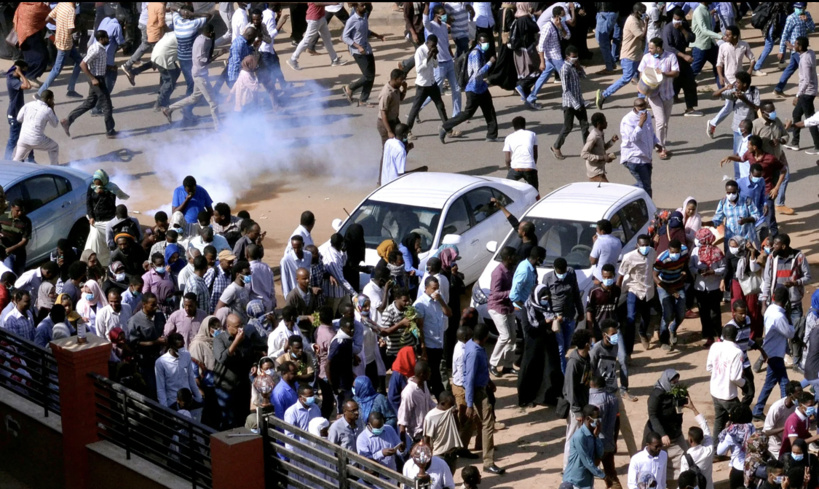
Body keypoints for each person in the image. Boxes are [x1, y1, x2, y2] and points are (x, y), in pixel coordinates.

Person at [439, 32, 498, 143]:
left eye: (487, 42)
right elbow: (477, 73)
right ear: (479, 42)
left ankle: (492, 135)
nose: (486, 44)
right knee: (467, 113)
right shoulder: (475, 54)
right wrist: (490, 63)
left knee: (489, 110)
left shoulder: (481, 51)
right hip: (473, 88)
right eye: (484, 42)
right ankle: (445, 127)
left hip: (481, 87)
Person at [59, 30, 116, 139]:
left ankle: (68, 121)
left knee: (90, 103)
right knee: (107, 104)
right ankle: (110, 131)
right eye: (106, 38)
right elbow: (83, 64)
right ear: (102, 38)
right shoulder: (96, 49)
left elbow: (98, 64)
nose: (108, 40)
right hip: (96, 80)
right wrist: (93, 78)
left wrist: (109, 68)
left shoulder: (100, 48)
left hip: (98, 78)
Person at [463, 322, 503, 474]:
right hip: (477, 392)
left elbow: (480, 371)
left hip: (481, 387)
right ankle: (488, 461)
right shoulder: (474, 352)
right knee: (488, 424)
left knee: (473, 419)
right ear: (486, 337)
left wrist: (489, 381)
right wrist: (469, 403)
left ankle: (462, 447)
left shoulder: (473, 346)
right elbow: (470, 379)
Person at [163, 24, 219, 129]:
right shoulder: (201, 43)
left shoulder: (205, 38)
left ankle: (169, 109)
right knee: (213, 102)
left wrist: (213, 39)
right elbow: (203, 61)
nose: (212, 34)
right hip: (200, 76)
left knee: (194, 98)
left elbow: (209, 52)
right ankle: (218, 127)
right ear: (208, 32)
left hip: (200, 74)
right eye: (211, 32)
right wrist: (218, 55)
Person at [752, 287, 795, 420]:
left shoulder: (770, 309)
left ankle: (758, 410)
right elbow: (790, 333)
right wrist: (789, 317)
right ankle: (786, 412)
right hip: (775, 353)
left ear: (773, 297)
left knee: (770, 383)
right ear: (786, 300)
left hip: (771, 351)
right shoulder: (780, 316)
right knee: (784, 383)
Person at [596, 4, 646, 109]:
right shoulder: (632, 21)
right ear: (637, 12)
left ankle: (641, 100)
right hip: (629, 56)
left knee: (642, 77)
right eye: (643, 12)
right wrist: (647, 23)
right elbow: (641, 36)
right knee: (626, 78)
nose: (644, 14)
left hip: (637, 54)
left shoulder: (638, 19)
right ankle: (604, 94)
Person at [760, 234, 811, 329]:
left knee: (796, 334)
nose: (773, 246)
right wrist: (764, 303)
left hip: (794, 304)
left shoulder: (799, 257)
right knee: (777, 334)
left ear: (783, 246)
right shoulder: (771, 258)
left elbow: (807, 277)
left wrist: (795, 283)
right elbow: (767, 281)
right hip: (776, 304)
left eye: (775, 244)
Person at [706, 323, 745, 446]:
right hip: (728, 394)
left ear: (723, 335)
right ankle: (742, 446)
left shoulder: (715, 346)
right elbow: (735, 377)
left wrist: (720, 376)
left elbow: (709, 367)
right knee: (742, 418)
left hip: (715, 391)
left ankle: (716, 448)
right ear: (736, 336)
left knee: (719, 419)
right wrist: (745, 385)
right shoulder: (737, 352)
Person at [543, 257, 584, 373]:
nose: (562, 274)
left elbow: (576, 293)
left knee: (566, 345)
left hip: (570, 316)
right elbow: (545, 300)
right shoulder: (547, 278)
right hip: (556, 318)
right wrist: (550, 316)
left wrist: (581, 311)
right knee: (560, 348)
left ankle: (559, 364)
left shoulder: (571, 273)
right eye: (560, 272)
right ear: (555, 269)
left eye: (564, 271)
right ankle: (564, 375)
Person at [213, 313, 253, 429]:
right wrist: (236, 342)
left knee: (243, 418)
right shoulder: (219, 340)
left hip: (242, 386)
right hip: (225, 387)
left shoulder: (245, 339)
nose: (240, 329)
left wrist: (254, 364)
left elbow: (250, 356)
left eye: (241, 325)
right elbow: (222, 358)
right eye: (236, 326)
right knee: (228, 420)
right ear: (228, 326)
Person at [639, 37, 679, 153]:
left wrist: (664, 73)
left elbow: (676, 72)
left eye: (651, 48)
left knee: (665, 123)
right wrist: (644, 82)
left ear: (658, 48)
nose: (649, 49)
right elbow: (641, 71)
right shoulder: (647, 57)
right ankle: (661, 147)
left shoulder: (670, 56)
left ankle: (660, 143)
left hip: (668, 93)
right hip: (653, 95)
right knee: (660, 122)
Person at [620, 98, 667, 197]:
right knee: (646, 187)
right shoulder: (627, 120)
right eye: (640, 106)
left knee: (644, 184)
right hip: (635, 159)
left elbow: (650, 132)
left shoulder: (647, 115)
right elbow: (633, 138)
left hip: (646, 158)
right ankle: (650, 210)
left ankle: (624, 196)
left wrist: (656, 143)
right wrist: (640, 123)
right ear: (635, 107)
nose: (643, 108)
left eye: (644, 106)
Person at [341, 3, 385, 107]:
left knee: (371, 76)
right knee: (368, 76)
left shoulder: (364, 16)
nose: (365, 7)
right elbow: (344, 37)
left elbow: (366, 31)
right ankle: (350, 88)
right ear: (356, 7)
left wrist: (378, 36)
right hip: (358, 52)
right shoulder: (351, 20)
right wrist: (358, 46)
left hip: (367, 49)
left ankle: (363, 100)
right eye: (362, 5)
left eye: (365, 5)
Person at [526, 6, 570, 109]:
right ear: (556, 16)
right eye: (562, 16)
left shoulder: (561, 24)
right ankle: (575, 99)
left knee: (543, 78)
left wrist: (561, 27)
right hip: (554, 57)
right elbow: (541, 46)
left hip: (555, 56)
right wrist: (542, 62)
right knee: (567, 77)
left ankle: (530, 98)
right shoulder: (547, 27)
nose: (564, 18)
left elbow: (567, 36)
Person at [647, 369, 687, 481]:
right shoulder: (656, 395)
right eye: (673, 382)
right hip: (659, 434)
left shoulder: (676, 392)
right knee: (657, 464)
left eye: (677, 382)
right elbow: (653, 416)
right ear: (667, 381)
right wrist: (662, 434)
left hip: (675, 432)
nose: (676, 385)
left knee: (685, 458)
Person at [618, 235, 656, 352]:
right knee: (631, 319)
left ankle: (643, 333)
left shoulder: (652, 252)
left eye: (646, 245)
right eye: (642, 245)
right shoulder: (629, 257)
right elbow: (621, 274)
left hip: (647, 289)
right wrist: (616, 290)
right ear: (637, 245)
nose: (645, 247)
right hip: (634, 289)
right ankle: (628, 351)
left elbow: (653, 266)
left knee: (646, 316)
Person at [549, 46, 588, 160]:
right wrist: (576, 104)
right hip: (570, 104)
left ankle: (587, 149)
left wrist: (580, 68)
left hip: (579, 101)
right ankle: (556, 146)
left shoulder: (575, 67)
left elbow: (584, 77)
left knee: (585, 126)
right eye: (573, 57)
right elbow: (565, 89)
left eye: (576, 56)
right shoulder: (564, 69)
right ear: (567, 57)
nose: (575, 58)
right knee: (568, 127)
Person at [708, 71, 761, 152]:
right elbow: (714, 95)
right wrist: (725, 88)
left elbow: (757, 107)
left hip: (751, 127)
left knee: (750, 151)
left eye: (738, 82)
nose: (736, 83)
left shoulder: (754, 91)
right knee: (737, 152)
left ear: (744, 84)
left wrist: (744, 99)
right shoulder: (734, 91)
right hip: (738, 128)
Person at [38, 2, 82, 98]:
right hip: (65, 43)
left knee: (80, 62)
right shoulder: (71, 10)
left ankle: (71, 89)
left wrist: (59, 25)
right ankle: (40, 92)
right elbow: (70, 29)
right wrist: (76, 27)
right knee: (57, 69)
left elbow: (47, 19)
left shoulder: (61, 4)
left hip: (62, 40)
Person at [563, 328, 593, 471]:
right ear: (587, 344)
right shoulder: (573, 363)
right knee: (572, 437)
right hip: (576, 408)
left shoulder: (587, 359)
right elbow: (570, 389)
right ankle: (567, 468)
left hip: (585, 404)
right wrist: (577, 411)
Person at [661, 8, 701, 117]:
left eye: (679, 19)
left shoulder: (683, 25)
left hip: (682, 60)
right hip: (672, 60)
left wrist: (683, 29)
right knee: (670, 84)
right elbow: (668, 47)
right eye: (675, 19)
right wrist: (684, 55)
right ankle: (658, 107)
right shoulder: (668, 29)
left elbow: (692, 38)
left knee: (689, 81)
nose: (676, 22)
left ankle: (690, 108)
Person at [691, 228, 727, 346]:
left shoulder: (717, 251)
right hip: (700, 287)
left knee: (715, 313)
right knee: (704, 313)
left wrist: (713, 272)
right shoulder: (695, 251)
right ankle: (708, 336)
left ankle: (719, 335)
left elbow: (723, 267)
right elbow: (691, 266)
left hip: (714, 287)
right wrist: (698, 270)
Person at [287, 3, 346, 71]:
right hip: (314, 19)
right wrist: (332, 3)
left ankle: (335, 60)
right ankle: (293, 59)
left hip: (320, 17)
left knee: (327, 38)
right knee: (306, 40)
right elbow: (317, 3)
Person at [487, 247, 517, 378]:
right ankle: (492, 363)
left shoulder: (511, 269)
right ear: (508, 258)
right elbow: (495, 294)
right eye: (514, 256)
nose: (516, 258)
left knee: (512, 337)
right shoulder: (498, 273)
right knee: (505, 336)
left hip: (508, 307)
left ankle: (508, 366)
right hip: (497, 308)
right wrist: (511, 293)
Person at [654, 239, 689, 350]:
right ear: (668, 250)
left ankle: (672, 329)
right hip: (664, 287)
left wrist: (684, 273)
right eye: (672, 252)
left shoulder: (684, 251)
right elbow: (654, 276)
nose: (675, 254)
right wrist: (669, 290)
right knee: (667, 314)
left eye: (676, 252)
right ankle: (664, 341)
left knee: (681, 313)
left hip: (678, 284)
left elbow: (685, 263)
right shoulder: (662, 259)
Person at [774, 3, 815, 97]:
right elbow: (784, 34)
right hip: (795, 49)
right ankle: (810, 90)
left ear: (804, 8)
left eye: (800, 8)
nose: (798, 10)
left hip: (804, 47)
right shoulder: (791, 18)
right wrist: (781, 50)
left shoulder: (807, 15)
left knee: (791, 68)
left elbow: (812, 28)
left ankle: (778, 88)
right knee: (807, 69)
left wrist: (807, 20)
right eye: (796, 8)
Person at [563, 404, 606, 488]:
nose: (598, 421)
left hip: (587, 481)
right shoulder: (579, 436)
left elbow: (600, 454)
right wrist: (603, 476)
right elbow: (586, 461)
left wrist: (596, 436)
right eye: (596, 418)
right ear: (587, 419)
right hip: (574, 482)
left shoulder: (593, 434)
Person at [155, 332, 202, 409]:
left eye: (183, 346)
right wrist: (165, 408)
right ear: (172, 346)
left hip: (188, 400)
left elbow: (191, 378)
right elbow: (160, 388)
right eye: (180, 347)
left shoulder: (186, 355)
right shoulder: (161, 362)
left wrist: (199, 398)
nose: (182, 349)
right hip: (173, 402)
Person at [13, 90, 59, 165]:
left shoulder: (28, 104)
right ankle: (55, 168)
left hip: (23, 138)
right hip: (37, 140)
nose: (53, 101)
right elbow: (55, 124)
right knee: (54, 147)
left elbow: (18, 118)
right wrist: (53, 109)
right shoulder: (48, 110)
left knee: (16, 161)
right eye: (52, 99)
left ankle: (11, 173)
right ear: (49, 100)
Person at [423, 390, 464, 473]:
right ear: (442, 403)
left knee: (449, 482)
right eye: (451, 405)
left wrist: (455, 416)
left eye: (454, 404)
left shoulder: (451, 413)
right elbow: (426, 439)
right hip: (439, 456)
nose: (453, 407)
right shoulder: (431, 417)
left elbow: (458, 429)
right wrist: (427, 458)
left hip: (452, 455)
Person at [398, 360, 436, 443]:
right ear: (422, 374)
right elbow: (403, 417)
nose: (430, 373)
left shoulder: (424, 384)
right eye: (428, 372)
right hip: (415, 436)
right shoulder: (409, 392)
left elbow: (429, 402)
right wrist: (403, 441)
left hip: (426, 431)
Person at [679, 398, 714, 489]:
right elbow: (705, 426)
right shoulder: (709, 450)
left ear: (690, 440)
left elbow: (684, 479)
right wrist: (693, 408)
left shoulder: (686, 458)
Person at [5, 61, 33, 162]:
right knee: (13, 140)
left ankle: (31, 159)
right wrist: (20, 73)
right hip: (15, 114)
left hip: (20, 113)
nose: (25, 73)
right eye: (24, 70)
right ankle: (7, 161)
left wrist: (20, 73)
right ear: (19, 69)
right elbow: (28, 86)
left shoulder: (13, 77)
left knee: (28, 136)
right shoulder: (13, 80)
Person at [328, 317, 357, 411]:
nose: (352, 330)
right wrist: (333, 386)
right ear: (343, 328)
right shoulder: (338, 343)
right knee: (343, 409)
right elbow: (328, 365)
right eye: (350, 328)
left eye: (353, 328)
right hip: (341, 385)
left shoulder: (347, 339)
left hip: (348, 380)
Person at [689, 2, 721, 86]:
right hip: (701, 46)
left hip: (711, 44)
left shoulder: (707, 10)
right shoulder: (699, 11)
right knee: (694, 71)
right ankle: (676, 91)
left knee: (719, 66)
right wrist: (720, 37)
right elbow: (704, 30)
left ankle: (722, 92)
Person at [586, 264, 620, 340]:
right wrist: (591, 332)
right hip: (599, 328)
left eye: (609, 277)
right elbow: (589, 310)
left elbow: (616, 307)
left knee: (618, 351)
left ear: (614, 275)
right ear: (602, 275)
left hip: (613, 328)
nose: (607, 279)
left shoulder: (617, 290)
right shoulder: (594, 291)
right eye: (605, 277)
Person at [779, 391, 819, 457]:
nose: (812, 408)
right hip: (790, 456)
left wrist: (816, 442)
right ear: (801, 405)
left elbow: (805, 433)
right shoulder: (793, 420)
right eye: (810, 406)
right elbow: (795, 444)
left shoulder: (806, 416)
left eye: (813, 405)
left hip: (801, 452)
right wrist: (816, 437)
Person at [503, 116, 539, 189]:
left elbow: (507, 159)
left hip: (516, 168)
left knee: (506, 189)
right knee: (534, 191)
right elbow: (535, 154)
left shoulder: (509, 137)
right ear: (524, 125)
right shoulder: (532, 134)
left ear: (513, 127)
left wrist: (509, 170)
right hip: (529, 167)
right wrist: (532, 165)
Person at [581, 112, 619, 182]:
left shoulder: (600, 133)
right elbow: (584, 154)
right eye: (604, 121)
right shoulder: (594, 136)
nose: (606, 122)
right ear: (599, 123)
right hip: (595, 172)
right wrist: (603, 158)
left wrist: (612, 141)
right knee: (608, 190)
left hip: (600, 170)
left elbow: (602, 147)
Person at [0, 200, 33, 276]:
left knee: (18, 276)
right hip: (5, 253)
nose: (20, 213)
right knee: (8, 275)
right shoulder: (2, 217)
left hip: (19, 254)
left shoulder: (26, 222)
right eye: (17, 211)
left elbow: (24, 241)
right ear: (12, 208)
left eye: (21, 210)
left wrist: (11, 248)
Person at [590, 219, 623, 283]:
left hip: (600, 278)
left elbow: (592, 261)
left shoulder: (599, 242)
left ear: (602, 231)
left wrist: (594, 244)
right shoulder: (618, 241)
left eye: (597, 229)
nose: (596, 231)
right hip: (612, 277)